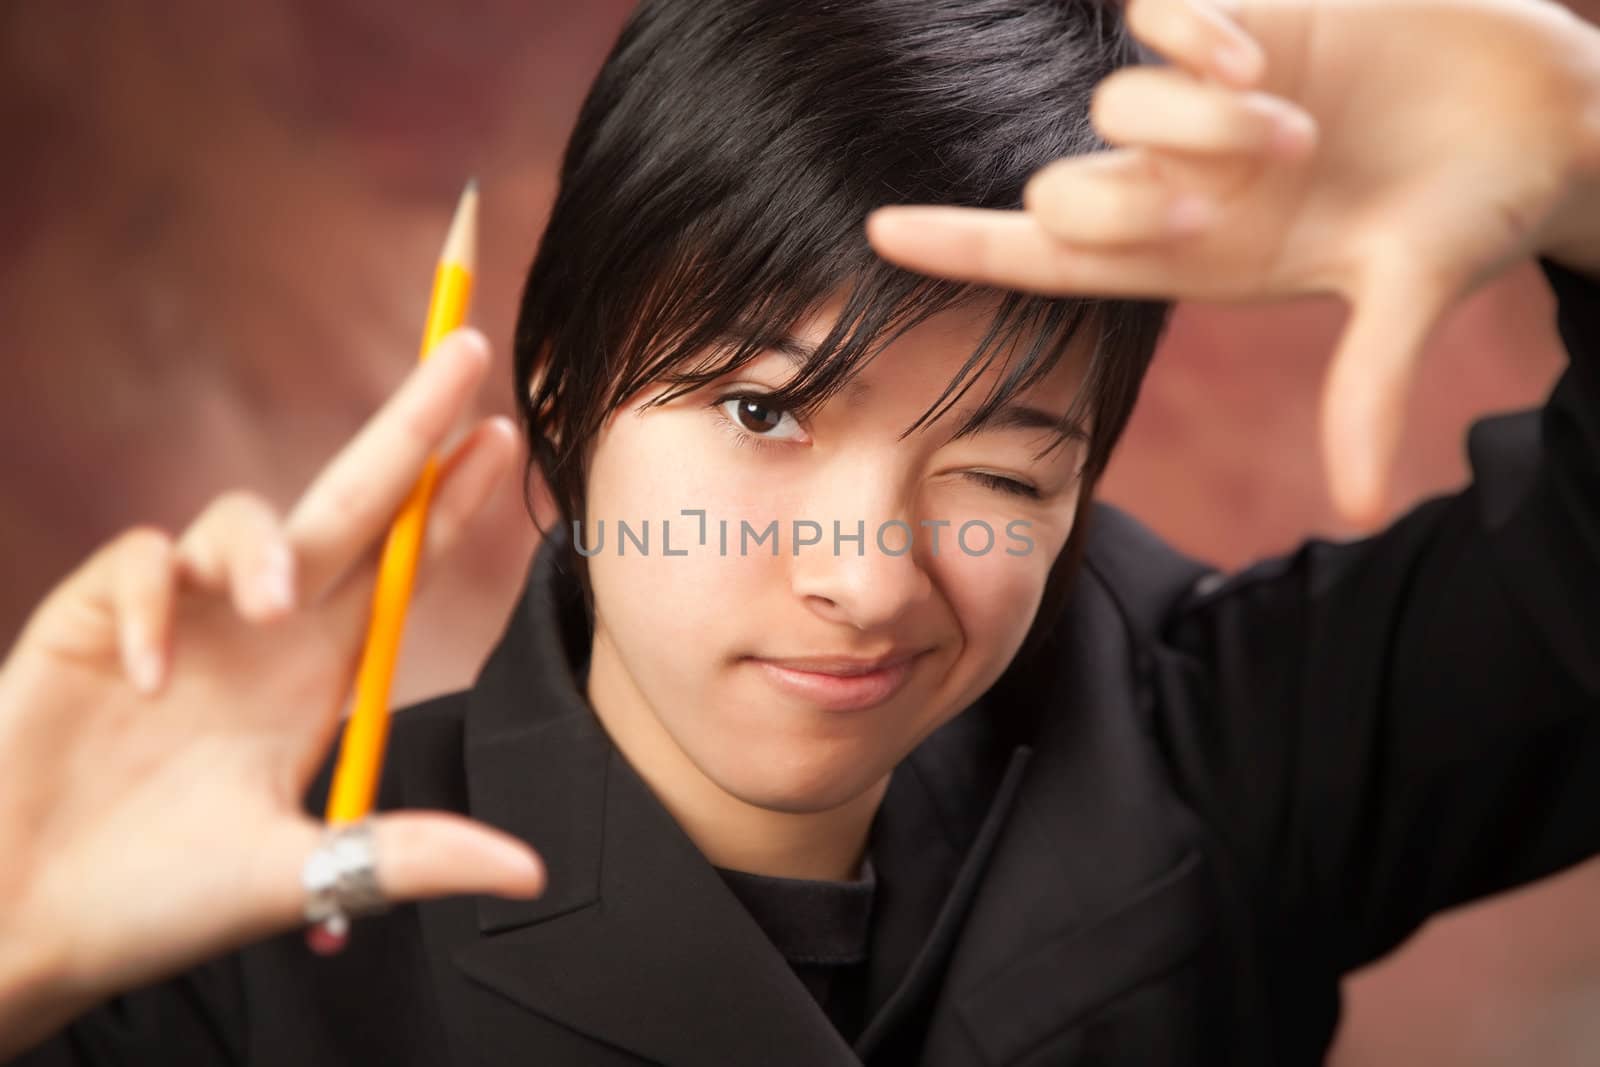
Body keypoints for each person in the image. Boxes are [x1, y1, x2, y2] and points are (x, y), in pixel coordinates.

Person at [3, 0, 1600, 1063]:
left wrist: (1589, 161)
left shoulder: (1214, 737)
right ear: (563, 383)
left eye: (1002, 469)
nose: (866, 582)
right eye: (767, 415)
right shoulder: (224, 913)